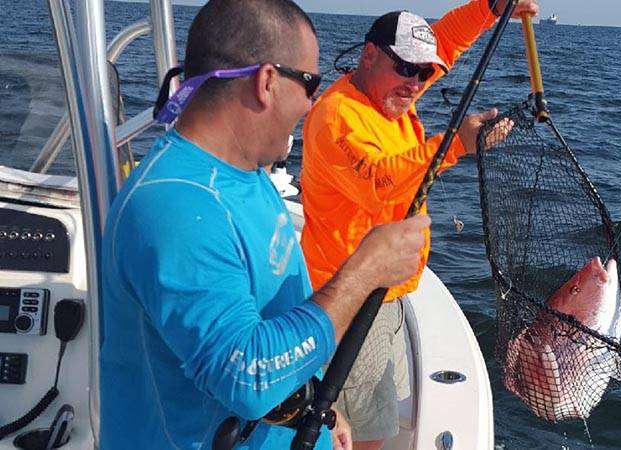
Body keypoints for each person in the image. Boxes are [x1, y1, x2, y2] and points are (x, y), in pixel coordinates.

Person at [99, 1, 431, 449]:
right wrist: (365, 271)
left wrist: (316, 407)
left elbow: (270, 315)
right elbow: (249, 376)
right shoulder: (175, 206)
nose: (314, 101)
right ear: (267, 81)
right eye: (310, 83)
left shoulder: (246, 173)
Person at [300, 0, 539, 448]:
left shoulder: (388, 93)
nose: (414, 83)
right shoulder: (338, 116)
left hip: (386, 290)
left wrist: (491, 7)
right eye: (405, 67)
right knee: (370, 434)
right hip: (351, 298)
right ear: (368, 55)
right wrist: (455, 145)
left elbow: (445, 41)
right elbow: (378, 182)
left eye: (423, 73)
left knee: (378, 421)